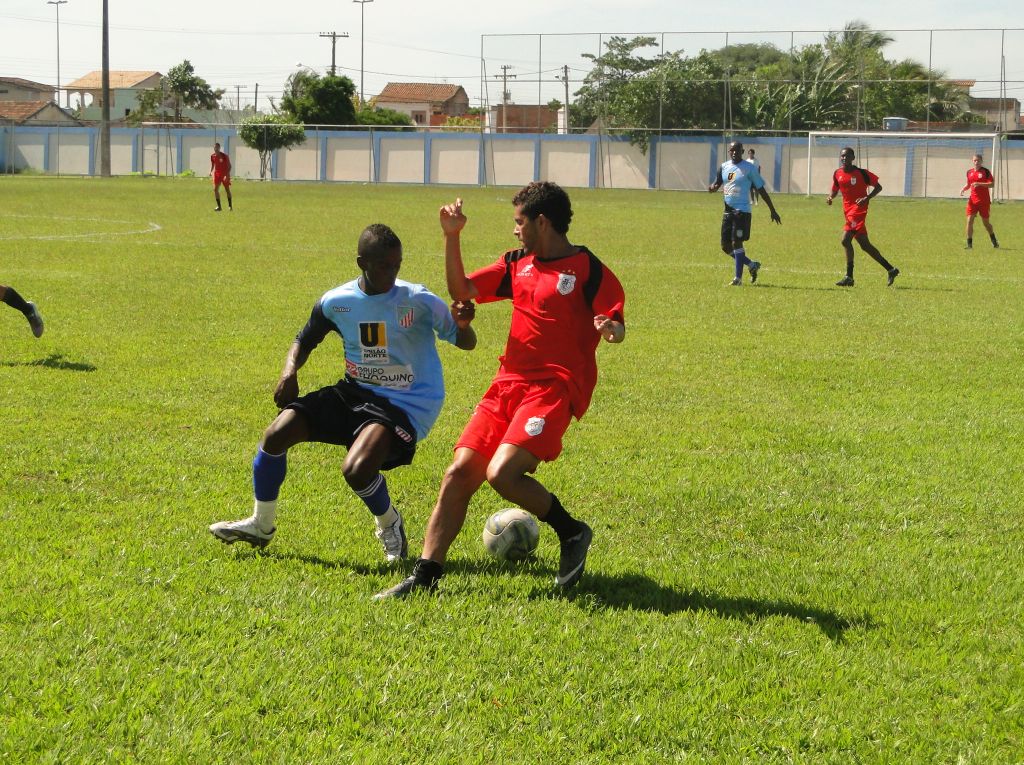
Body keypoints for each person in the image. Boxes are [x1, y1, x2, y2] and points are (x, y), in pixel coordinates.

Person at [374, 182, 626, 599]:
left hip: (553, 387)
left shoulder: (587, 268)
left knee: (502, 472)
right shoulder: (517, 264)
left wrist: (611, 330)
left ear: (541, 222)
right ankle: (425, 577)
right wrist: (452, 237)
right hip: (507, 384)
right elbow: (463, 290)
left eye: (519, 222)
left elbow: (614, 318)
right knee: (458, 474)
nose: (515, 231)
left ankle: (572, 532)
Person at [209, 223, 477, 561]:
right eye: (384, 266)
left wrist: (464, 326)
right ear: (361, 262)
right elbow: (304, 339)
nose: (392, 273)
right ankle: (261, 526)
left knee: (356, 469)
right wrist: (289, 371)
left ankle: (390, 524)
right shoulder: (337, 302)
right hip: (355, 393)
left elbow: (466, 342)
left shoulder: (419, 300)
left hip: (407, 404)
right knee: (276, 434)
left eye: (397, 265)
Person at [708, 141, 782, 286]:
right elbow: (717, 183)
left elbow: (761, 189)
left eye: (737, 150)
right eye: (732, 150)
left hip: (742, 212)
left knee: (736, 242)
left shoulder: (749, 168)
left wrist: (772, 210)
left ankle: (738, 279)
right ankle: (751, 264)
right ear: (729, 152)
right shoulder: (724, 167)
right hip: (728, 211)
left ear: (742, 152)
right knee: (725, 246)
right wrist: (712, 187)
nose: (734, 152)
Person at [827, 147, 900, 287]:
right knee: (865, 245)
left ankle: (849, 276)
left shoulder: (862, 173)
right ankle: (891, 269)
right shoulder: (837, 173)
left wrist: (867, 198)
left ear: (853, 158)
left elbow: (878, 187)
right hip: (848, 212)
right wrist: (831, 196)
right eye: (842, 156)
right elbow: (835, 189)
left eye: (847, 156)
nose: (844, 158)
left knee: (845, 240)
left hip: (858, 211)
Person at [960, 153, 999, 250]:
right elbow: (969, 184)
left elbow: (992, 184)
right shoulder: (969, 172)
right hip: (972, 201)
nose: (976, 162)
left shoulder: (986, 172)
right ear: (972, 161)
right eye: (974, 160)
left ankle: (994, 241)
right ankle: (969, 245)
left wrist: (979, 184)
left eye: (978, 160)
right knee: (969, 221)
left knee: (986, 223)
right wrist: (964, 188)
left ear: (981, 161)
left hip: (984, 201)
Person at [210, 142, 233, 212]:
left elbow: (230, 166)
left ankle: (230, 206)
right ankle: (219, 207)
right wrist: (210, 171)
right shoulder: (212, 156)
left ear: (219, 148)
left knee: (227, 190)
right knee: (215, 189)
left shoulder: (224, 156)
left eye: (217, 147)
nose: (216, 149)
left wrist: (227, 175)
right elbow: (213, 164)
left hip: (225, 174)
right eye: (215, 147)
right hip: (217, 174)